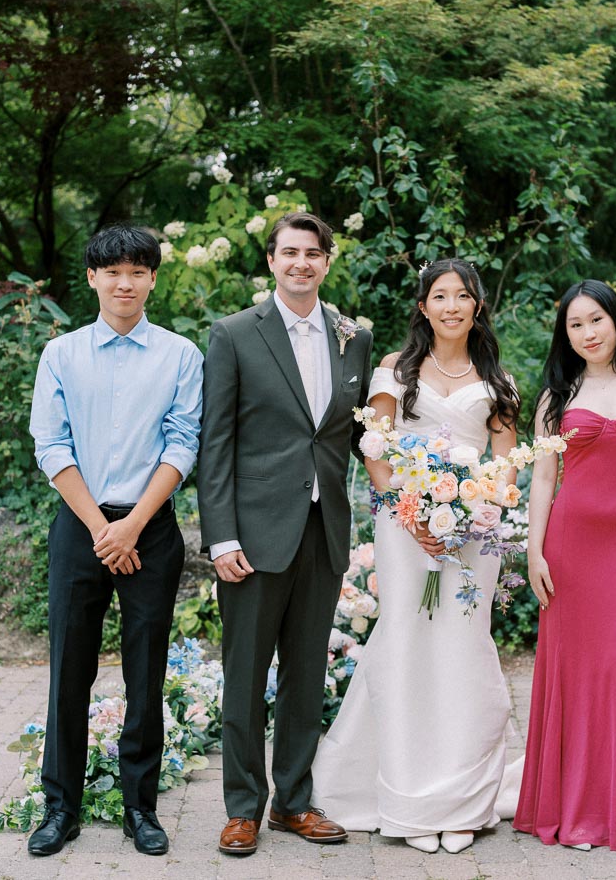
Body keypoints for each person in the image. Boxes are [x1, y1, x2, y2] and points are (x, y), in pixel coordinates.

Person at [310, 258, 524, 855]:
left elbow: (505, 459)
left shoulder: (497, 379)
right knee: (406, 641)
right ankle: (407, 797)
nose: (451, 306)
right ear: (423, 306)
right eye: (439, 296)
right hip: (404, 528)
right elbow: (374, 448)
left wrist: (478, 505)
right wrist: (413, 510)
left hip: (472, 534)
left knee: (462, 647)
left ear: (477, 306)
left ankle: (460, 800)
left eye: (462, 296)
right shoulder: (393, 371)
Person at [199, 211, 374, 856]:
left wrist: (417, 487)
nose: (301, 263)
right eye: (289, 253)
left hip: (323, 530)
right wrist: (220, 536)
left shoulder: (353, 338)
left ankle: (294, 802)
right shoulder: (235, 335)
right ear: (271, 262)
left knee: (307, 672)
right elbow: (215, 443)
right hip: (252, 533)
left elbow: (361, 438)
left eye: (313, 253)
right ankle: (242, 807)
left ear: (328, 261)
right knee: (245, 673)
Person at [26, 224, 203, 857]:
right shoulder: (63, 355)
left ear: (153, 278)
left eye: (138, 271)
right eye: (113, 272)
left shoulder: (181, 355)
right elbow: (51, 445)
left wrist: (131, 526)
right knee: (68, 670)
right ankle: (60, 809)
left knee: (146, 673)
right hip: (81, 526)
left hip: (150, 528)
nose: (125, 283)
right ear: (93, 279)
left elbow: (185, 441)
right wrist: (103, 529)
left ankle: (140, 808)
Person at [512, 279, 616, 852]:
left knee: (615, 669)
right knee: (569, 673)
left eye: (596, 320)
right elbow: (541, 479)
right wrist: (534, 550)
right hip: (568, 544)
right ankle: (570, 811)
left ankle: (611, 810)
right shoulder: (554, 397)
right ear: (566, 334)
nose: (587, 333)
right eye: (575, 325)